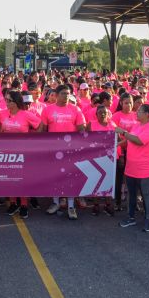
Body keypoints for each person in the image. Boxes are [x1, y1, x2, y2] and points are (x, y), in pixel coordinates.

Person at [40, 84, 86, 219]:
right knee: (55, 177)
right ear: (56, 94)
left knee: (70, 177)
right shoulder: (48, 110)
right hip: (54, 149)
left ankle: (71, 206)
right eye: (63, 93)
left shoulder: (76, 109)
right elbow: (43, 130)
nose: (66, 96)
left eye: (68, 94)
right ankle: (55, 202)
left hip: (71, 150)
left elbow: (81, 130)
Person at [117, 104, 149, 232]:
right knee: (131, 194)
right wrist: (117, 144)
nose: (136, 113)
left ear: (147, 114)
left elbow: (139, 140)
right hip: (132, 166)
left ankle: (148, 219)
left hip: (146, 167)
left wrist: (123, 132)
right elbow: (130, 139)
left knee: (146, 194)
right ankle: (131, 217)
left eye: (140, 111)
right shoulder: (136, 125)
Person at [0, 90, 41, 219]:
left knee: (21, 179)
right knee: (9, 178)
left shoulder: (26, 115)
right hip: (7, 153)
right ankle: (13, 203)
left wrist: (33, 141)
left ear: (16, 102)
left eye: (9, 101)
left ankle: (23, 205)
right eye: (5, 100)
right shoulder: (2, 114)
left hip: (22, 153)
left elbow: (40, 125)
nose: (6, 103)